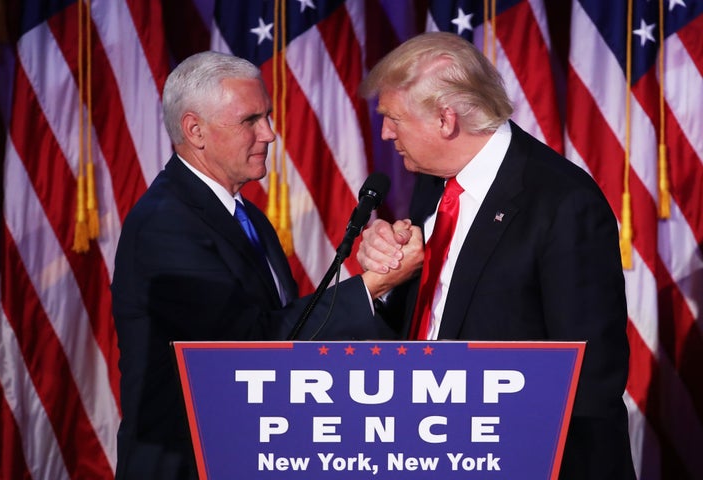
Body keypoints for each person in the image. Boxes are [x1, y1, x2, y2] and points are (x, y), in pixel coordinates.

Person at [110, 51, 422, 480]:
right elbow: (245, 349)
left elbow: (284, 333)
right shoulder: (164, 226)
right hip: (189, 465)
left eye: (268, 116)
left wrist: (383, 290)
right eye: (250, 120)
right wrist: (369, 285)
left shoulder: (246, 217)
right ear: (194, 130)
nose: (271, 134)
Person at [356, 32, 635, 479]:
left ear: (446, 121)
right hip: (431, 450)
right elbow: (433, 317)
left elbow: (589, 376)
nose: (386, 132)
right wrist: (389, 277)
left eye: (393, 118)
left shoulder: (561, 201)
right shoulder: (434, 184)